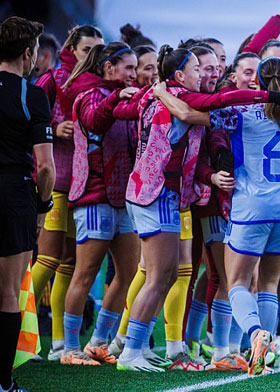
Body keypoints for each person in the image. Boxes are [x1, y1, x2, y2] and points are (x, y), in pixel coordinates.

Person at [115, 44, 280, 372]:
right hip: (164, 193)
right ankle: (130, 347)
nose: (206, 74)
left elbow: (192, 112)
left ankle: (137, 345)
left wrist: (143, 94)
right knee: (166, 275)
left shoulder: (230, 110)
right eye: (200, 68)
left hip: (223, 203)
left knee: (198, 276)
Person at [205, 56, 280, 375]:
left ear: (256, 81)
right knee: (270, 283)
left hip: (251, 207)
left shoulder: (237, 112)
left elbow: (197, 113)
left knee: (238, 283)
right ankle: (266, 352)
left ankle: (255, 333)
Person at [57, 42, 141, 366]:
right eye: (128, 68)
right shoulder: (88, 96)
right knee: (86, 273)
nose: (133, 74)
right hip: (94, 195)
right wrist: (116, 98)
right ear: (109, 67)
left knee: (129, 272)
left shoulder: (127, 97)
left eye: (136, 68)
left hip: (124, 199)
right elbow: (94, 122)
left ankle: (98, 342)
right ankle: (68, 349)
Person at [31, 25, 104, 361]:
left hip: (82, 184)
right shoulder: (54, 79)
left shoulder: (99, 84)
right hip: (56, 181)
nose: (94, 56)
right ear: (72, 48)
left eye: (98, 50)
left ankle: (59, 342)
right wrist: (53, 129)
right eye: (88, 49)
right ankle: (17, 337)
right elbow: (27, 119)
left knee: (70, 264)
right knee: (45, 261)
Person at [0, 16, 53, 392]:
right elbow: (46, 167)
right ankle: (3, 382)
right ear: (27, 52)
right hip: (14, 196)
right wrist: (43, 207)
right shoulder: (31, 94)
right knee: (7, 294)